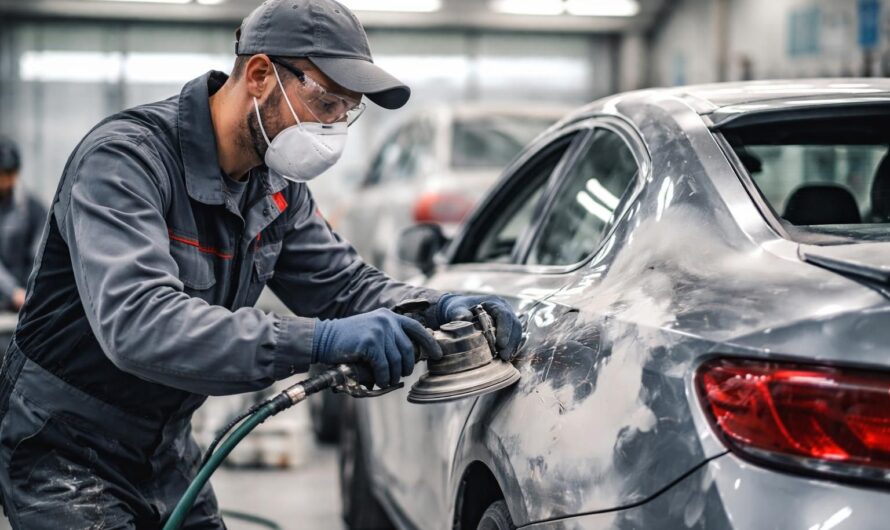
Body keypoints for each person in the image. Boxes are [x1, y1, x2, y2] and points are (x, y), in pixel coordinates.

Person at [0, 1, 522, 528]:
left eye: (347, 110)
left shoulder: (276, 188)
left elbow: (342, 285)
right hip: (62, 443)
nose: (334, 126)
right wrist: (316, 341)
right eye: (325, 101)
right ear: (259, 75)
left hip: (165, 447)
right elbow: (139, 323)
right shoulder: (126, 161)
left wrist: (437, 306)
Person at [0, 136, 46, 314]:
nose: (5, 179)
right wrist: (11, 291)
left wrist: (33, 290)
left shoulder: (32, 208)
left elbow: (40, 254)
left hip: (24, 302)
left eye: (10, 173)